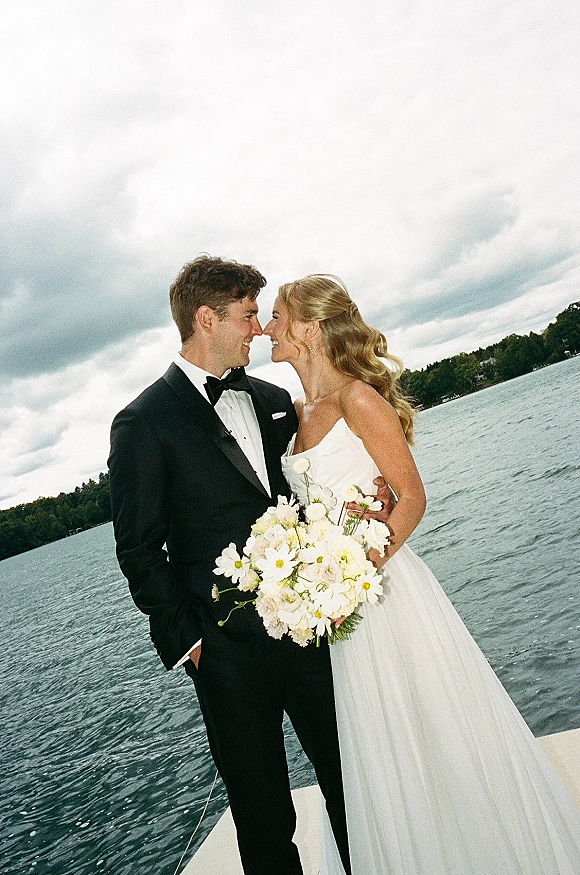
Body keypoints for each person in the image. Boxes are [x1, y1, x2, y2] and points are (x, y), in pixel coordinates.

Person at [263, 273, 580, 875]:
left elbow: (410, 497)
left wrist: (356, 571)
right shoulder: (299, 410)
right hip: (340, 611)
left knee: (433, 730)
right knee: (377, 748)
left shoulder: (359, 399)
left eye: (277, 316)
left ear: (307, 328)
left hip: (383, 597)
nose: (269, 328)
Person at [108, 256, 354, 875]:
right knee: (264, 813)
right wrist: (189, 643)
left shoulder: (273, 400)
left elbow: (304, 499)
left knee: (352, 783)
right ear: (206, 318)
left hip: (310, 635)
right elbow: (139, 549)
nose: (259, 330)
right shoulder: (143, 422)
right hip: (225, 657)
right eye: (248, 316)